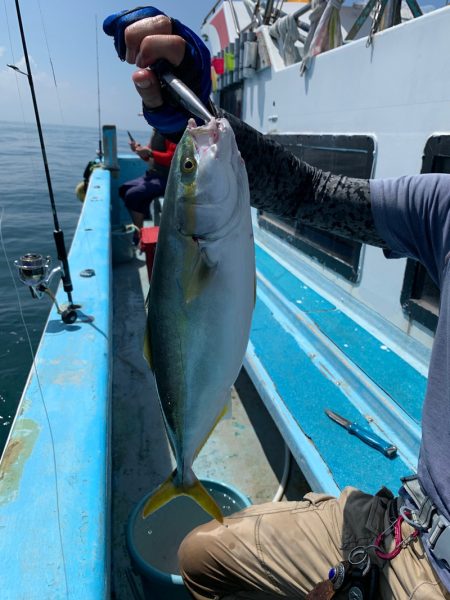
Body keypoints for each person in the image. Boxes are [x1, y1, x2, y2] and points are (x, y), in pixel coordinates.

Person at [104, 8, 450, 599]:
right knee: (199, 556)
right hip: (407, 523)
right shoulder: (442, 209)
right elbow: (306, 191)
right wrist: (196, 108)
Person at [119, 128, 176, 232]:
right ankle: (141, 228)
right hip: (153, 176)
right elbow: (148, 157)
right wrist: (139, 150)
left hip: (167, 180)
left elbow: (172, 158)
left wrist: (150, 153)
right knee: (123, 189)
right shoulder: (156, 131)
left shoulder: (171, 131)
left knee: (132, 195)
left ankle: (139, 234)